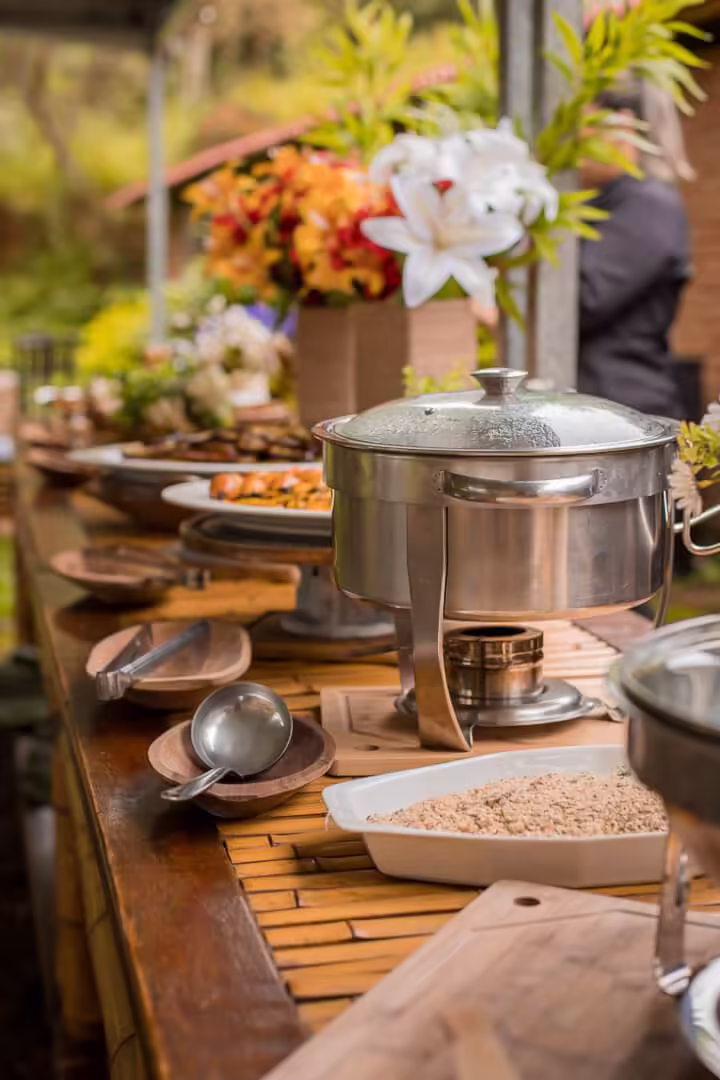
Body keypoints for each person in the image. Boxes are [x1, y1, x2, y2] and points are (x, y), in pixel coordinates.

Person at [577, 78, 692, 419]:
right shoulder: (607, 202)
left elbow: (584, 298)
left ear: (620, 125)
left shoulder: (649, 205)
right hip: (595, 413)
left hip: (625, 417)